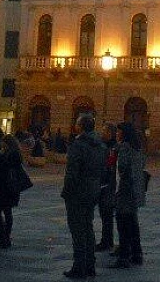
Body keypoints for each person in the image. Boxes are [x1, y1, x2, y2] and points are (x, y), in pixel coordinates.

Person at [61, 113, 106, 279]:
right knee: (88, 227)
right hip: (93, 190)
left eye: (77, 123)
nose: (75, 125)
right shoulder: (100, 145)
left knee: (77, 230)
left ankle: (79, 267)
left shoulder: (79, 145)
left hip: (78, 192)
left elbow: (72, 173)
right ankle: (90, 265)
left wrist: (67, 192)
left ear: (80, 126)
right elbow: (103, 169)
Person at [108, 122, 145, 269]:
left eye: (118, 132)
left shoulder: (124, 147)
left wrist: (114, 157)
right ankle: (137, 254)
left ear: (124, 134)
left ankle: (123, 257)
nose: (117, 134)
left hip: (124, 191)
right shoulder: (137, 147)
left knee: (123, 224)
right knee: (133, 224)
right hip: (135, 190)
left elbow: (122, 167)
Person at [0, 134, 23, 250]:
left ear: (6, 143)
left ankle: (3, 238)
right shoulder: (16, 153)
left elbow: (3, 167)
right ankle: (6, 238)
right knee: (7, 212)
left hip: (4, 188)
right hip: (12, 188)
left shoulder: (9, 153)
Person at [95, 123, 117, 252]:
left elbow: (109, 165)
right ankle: (106, 240)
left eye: (104, 131)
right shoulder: (106, 146)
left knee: (107, 214)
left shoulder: (112, 148)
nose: (101, 133)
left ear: (110, 133)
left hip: (109, 185)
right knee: (105, 214)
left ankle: (106, 241)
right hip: (104, 184)